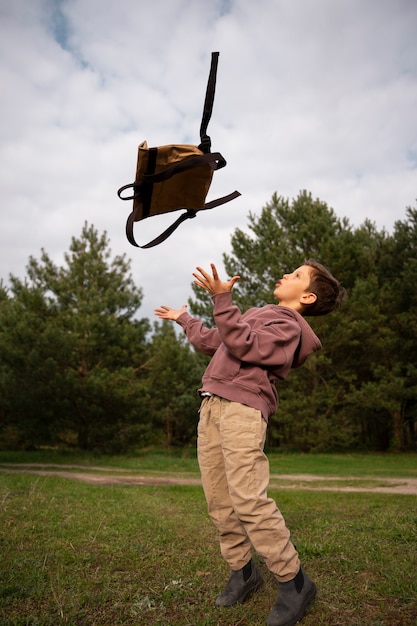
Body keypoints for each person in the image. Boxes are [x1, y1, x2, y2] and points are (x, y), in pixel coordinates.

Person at [154, 259, 345, 626]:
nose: (287, 274)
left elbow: (245, 346)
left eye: (298, 275)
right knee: (219, 499)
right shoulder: (262, 313)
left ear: (306, 296)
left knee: (248, 499)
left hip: (242, 409)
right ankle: (243, 572)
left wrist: (223, 299)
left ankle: (294, 582)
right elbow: (217, 340)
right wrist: (185, 319)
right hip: (212, 406)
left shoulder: (288, 324)